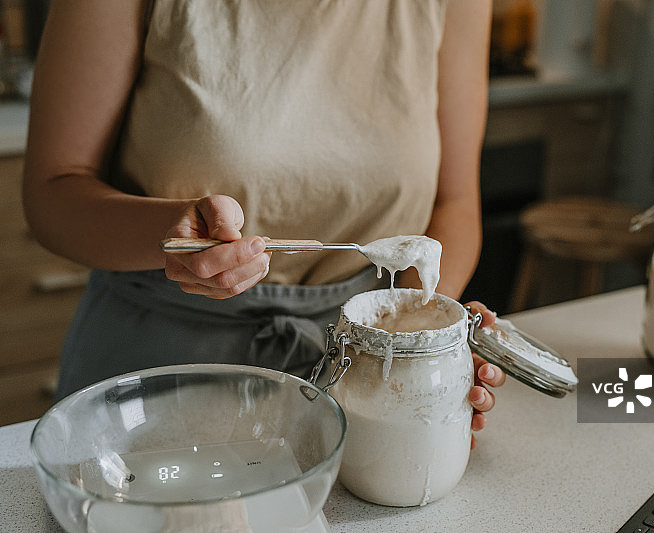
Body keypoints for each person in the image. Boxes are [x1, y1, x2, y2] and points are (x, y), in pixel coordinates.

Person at [23, 0, 505, 448]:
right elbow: (53, 191)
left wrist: (421, 340)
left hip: (357, 375)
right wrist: (171, 234)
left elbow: (455, 200)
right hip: (155, 383)